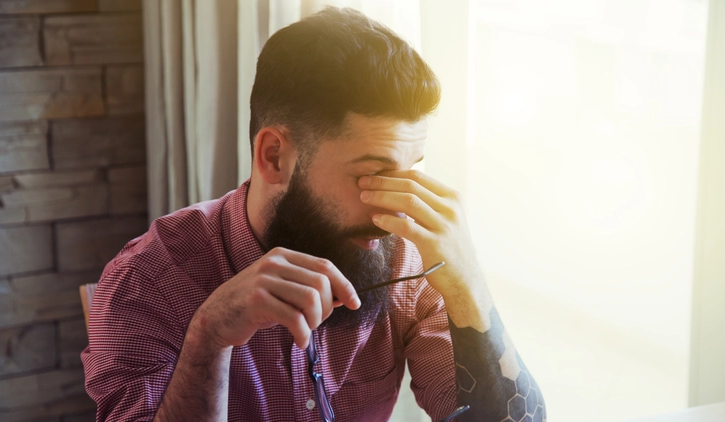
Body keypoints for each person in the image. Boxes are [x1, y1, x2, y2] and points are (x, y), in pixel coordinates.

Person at [82, 7, 545, 422]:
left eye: (408, 175)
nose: (394, 208)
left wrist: (469, 283)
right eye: (372, 176)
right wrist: (209, 337)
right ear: (275, 156)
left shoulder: (406, 259)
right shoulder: (147, 280)